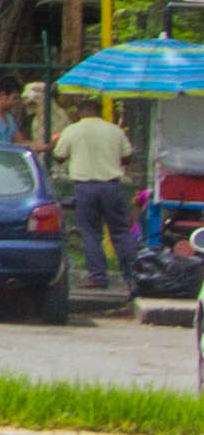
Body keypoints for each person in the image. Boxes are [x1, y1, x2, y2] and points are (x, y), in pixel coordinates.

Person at [56, 103, 140, 299]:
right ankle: (133, 276)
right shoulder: (115, 130)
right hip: (111, 186)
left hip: (85, 187)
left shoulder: (72, 130)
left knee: (91, 232)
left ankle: (97, 276)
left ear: (80, 113)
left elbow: (59, 156)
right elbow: (127, 157)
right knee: (120, 231)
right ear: (100, 113)